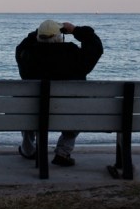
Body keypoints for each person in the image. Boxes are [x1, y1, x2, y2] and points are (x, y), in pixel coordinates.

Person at [15, 19, 104, 167]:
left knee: (27, 105)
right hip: (67, 113)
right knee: (78, 106)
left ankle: (28, 150)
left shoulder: (26, 56)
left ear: (38, 37)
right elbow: (96, 48)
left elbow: (21, 46)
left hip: (34, 113)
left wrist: (39, 33)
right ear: (59, 37)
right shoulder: (74, 56)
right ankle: (63, 151)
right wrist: (76, 30)